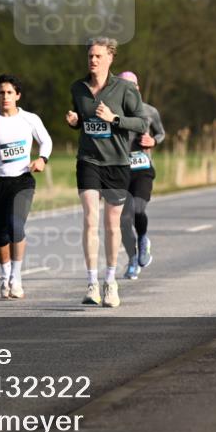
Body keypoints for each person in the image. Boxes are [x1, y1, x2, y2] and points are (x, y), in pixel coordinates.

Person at [66, 37, 148, 307]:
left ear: (110, 58)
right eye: (90, 56)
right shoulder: (78, 88)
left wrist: (114, 118)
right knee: (90, 219)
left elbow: (141, 122)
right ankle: (92, 283)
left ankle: (110, 282)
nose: (93, 60)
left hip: (117, 163)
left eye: (98, 56)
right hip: (88, 160)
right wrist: (76, 122)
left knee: (112, 225)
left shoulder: (124, 89)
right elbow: (83, 120)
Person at [0, 74, 52, 298]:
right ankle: (5, 275)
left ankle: (16, 277)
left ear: (18, 95)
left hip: (23, 180)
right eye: (1, 93)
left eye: (9, 92)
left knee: (16, 226)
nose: (5, 96)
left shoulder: (30, 119)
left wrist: (42, 159)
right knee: (0, 233)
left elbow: (46, 140)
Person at [117, 72, 165, 280]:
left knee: (138, 208)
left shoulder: (149, 111)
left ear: (137, 88)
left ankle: (143, 238)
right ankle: (132, 259)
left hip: (143, 169)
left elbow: (161, 133)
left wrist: (153, 141)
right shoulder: (112, 112)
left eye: (131, 87)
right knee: (124, 220)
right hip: (120, 170)